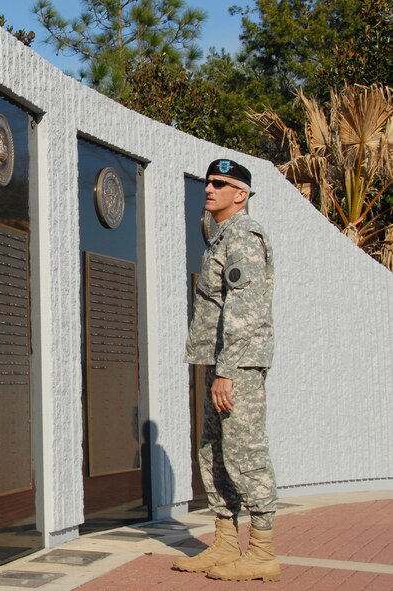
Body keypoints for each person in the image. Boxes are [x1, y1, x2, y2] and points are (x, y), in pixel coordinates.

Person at [173, 159, 280, 582]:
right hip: (221, 362)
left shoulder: (245, 237)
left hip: (237, 365)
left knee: (244, 452)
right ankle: (223, 542)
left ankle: (263, 551)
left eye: (220, 183)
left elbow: (245, 308)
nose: (209, 188)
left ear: (242, 194)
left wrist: (228, 369)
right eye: (208, 182)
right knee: (214, 451)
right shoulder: (221, 239)